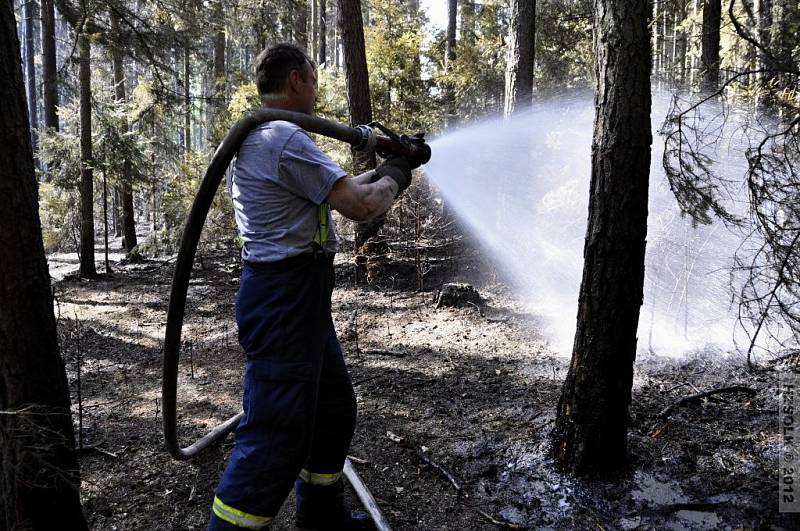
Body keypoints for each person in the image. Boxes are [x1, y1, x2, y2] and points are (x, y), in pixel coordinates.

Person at [208, 43, 419, 530]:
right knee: (277, 432)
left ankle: (321, 518)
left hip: (297, 296)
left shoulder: (269, 136)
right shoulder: (281, 137)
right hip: (284, 299)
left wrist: (389, 169)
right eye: (314, 78)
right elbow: (360, 206)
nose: (317, 88)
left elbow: (336, 188)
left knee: (333, 408)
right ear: (298, 80)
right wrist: (399, 175)